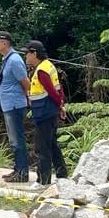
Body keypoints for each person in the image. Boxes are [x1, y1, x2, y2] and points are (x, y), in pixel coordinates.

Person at [23, 40, 68, 186]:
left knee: (42, 148)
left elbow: (53, 92)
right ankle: (62, 175)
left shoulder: (41, 70)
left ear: (34, 53)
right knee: (52, 144)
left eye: (27, 53)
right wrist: (60, 106)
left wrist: (59, 105)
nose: (25, 56)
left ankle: (43, 181)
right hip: (49, 111)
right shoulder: (48, 66)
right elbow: (59, 89)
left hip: (44, 112)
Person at [0, 30, 30, 182]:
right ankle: (17, 169)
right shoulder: (7, 59)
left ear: (4, 43)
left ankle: (22, 173)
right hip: (8, 105)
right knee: (13, 140)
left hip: (15, 105)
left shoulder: (14, 60)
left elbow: (25, 82)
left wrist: (27, 97)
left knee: (17, 140)